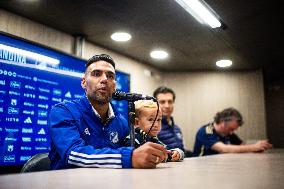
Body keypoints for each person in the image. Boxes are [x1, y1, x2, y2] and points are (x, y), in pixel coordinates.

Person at [48, 54, 168, 169]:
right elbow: (73, 153)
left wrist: (157, 153)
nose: (105, 79)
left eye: (110, 76)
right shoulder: (63, 111)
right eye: (96, 74)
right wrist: (129, 157)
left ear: (115, 85)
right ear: (84, 82)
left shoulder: (121, 121)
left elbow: (134, 150)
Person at [193, 107, 273, 157]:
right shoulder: (207, 130)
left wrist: (256, 148)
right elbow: (223, 149)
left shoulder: (228, 133)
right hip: (204, 169)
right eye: (231, 129)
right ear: (222, 122)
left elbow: (241, 146)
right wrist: (253, 147)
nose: (232, 133)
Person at [153, 86, 189, 156]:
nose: (167, 106)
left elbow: (183, 152)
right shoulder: (152, 128)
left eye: (170, 102)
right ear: (155, 104)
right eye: (162, 102)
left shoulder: (177, 129)